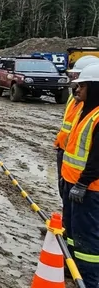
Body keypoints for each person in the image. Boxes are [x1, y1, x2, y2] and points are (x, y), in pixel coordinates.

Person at [61, 62, 99, 288]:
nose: (77, 89)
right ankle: (73, 268)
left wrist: (83, 183)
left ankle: (90, 283)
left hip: (89, 188)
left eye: (82, 86)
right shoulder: (85, 110)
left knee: (87, 235)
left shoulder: (97, 116)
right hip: (72, 181)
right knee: (74, 231)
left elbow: (97, 158)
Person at [55, 56, 99, 197]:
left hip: (85, 179)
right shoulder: (75, 98)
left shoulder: (90, 105)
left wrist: (83, 183)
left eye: (78, 77)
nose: (74, 80)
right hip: (67, 158)